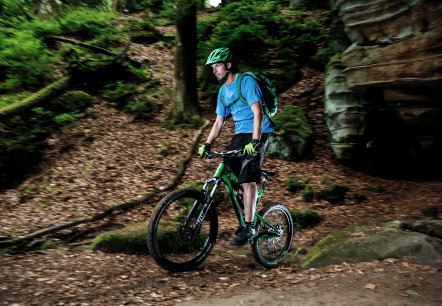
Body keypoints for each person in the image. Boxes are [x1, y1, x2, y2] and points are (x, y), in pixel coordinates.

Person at [198, 47, 274, 245]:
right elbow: (218, 122)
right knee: (229, 172)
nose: (214, 70)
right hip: (240, 134)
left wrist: (256, 142)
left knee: (247, 178)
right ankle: (249, 201)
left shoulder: (246, 82)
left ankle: (248, 226)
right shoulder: (223, 91)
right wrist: (207, 143)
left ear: (228, 65)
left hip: (259, 131)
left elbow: (258, 113)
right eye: (213, 67)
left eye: (218, 66)